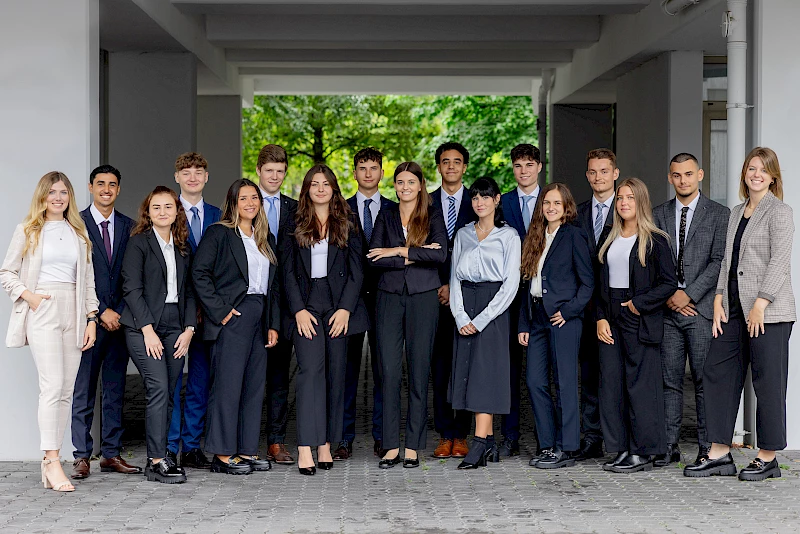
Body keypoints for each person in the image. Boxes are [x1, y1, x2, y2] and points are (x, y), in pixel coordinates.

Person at [685, 147, 795, 482]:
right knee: (716, 372)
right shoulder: (736, 212)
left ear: (773, 176)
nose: (756, 174)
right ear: (744, 174)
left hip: (769, 312)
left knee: (768, 383)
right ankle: (719, 453)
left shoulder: (780, 212)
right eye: (751, 169)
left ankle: (768, 456)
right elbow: (728, 262)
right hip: (733, 309)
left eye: (763, 170)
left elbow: (779, 261)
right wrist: (719, 297)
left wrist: (762, 302)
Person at [1, 172, 98, 492]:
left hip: (74, 311)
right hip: (43, 308)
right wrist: (28, 296)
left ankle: (52, 461)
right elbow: (6, 271)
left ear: (70, 196)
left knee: (66, 391)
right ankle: (52, 460)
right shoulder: (28, 230)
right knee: (52, 386)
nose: (58, 197)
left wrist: (91, 318)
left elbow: (88, 280)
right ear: (42, 196)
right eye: (51, 192)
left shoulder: (78, 231)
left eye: (64, 192)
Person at [283, 164, 369, 475]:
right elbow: (287, 272)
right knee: (310, 373)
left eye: (326, 183)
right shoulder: (294, 222)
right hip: (307, 304)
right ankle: (306, 445)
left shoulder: (348, 221)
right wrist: (298, 310)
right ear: (306, 189)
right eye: (314, 184)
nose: (320, 188)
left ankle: (325, 444)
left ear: (334, 187)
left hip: (338, 305)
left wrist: (346, 308)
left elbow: (358, 270)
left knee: (336, 375)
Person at [193, 179, 280, 475]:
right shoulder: (219, 233)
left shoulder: (264, 237)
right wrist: (220, 311)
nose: (250, 203)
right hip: (233, 316)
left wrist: (272, 324)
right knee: (228, 387)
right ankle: (222, 452)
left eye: (254, 198)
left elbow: (274, 286)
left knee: (254, 387)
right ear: (233, 203)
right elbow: (199, 273)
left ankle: (245, 449)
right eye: (244, 198)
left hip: (260, 315)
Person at [368, 161, 447, 468]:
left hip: (423, 298)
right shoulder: (385, 214)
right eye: (400, 182)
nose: (404, 187)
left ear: (420, 185)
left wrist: (398, 251)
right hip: (388, 297)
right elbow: (374, 256)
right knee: (387, 371)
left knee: (418, 371)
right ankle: (390, 445)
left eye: (410, 182)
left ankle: (412, 445)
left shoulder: (433, 214)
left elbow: (440, 254)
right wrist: (417, 253)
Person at [652, 153, 729, 468]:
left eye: (688, 174)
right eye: (676, 175)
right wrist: (673, 295)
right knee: (668, 381)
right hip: (668, 312)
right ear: (670, 178)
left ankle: (706, 447)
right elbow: (653, 259)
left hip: (699, 312)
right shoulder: (658, 214)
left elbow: (719, 261)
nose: (682, 180)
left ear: (700, 175)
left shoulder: (719, 214)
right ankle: (669, 445)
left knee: (702, 381)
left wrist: (690, 295)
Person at [596, 178, 676, 473]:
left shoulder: (656, 240)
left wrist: (638, 304)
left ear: (641, 201)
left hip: (638, 317)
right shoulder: (609, 236)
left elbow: (668, 283)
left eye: (630, 197)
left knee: (640, 387)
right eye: (620, 198)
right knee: (613, 385)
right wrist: (601, 317)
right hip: (611, 317)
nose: (624, 203)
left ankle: (642, 452)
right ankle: (621, 447)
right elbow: (599, 284)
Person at [120, 186, 196, 484]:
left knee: (171, 391)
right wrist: (147, 329)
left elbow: (190, 290)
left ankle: (162, 454)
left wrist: (189, 329)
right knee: (159, 387)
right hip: (144, 327)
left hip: (176, 325)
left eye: (168, 206)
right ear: (147, 212)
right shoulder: (138, 243)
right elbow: (132, 289)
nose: (163, 212)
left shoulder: (182, 245)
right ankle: (156, 460)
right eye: (156, 207)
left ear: (177, 211)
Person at [71, 165, 140, 480]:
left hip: (120, 323)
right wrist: (100, 311)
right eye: (101, 184)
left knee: (115, 388)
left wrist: (120, 311)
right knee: (83, 388)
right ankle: (82, 455)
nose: (106, 189)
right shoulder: (77, 224)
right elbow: (76, 276)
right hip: (88, 321)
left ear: (119, 189)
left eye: (113, 184)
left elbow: (134, 276)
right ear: (90, 187)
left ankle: (111, 454)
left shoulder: (131, 227)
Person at [518, 183, 593, 469]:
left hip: (563, 319)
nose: (550, 208)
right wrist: (524, 322)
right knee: (535, 382)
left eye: (557, 204)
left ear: (566, 208)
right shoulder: (535, 235)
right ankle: (547, 444)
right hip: (536, 317)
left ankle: (568, 447)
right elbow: (527, 283)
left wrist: (570, 310)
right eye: (546, 203)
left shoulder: (574, 236)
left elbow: (587, 283)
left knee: (564, 383)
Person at [449, 177, 521, 469]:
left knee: (485, 376)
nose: (480, 202)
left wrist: (481, 319)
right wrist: (460, 315)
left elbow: (511, 283)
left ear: (497, 200)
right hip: (466, 303)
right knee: (468, 373)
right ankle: (488, 443)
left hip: (493, 309)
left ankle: (478, 443)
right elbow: (454, 276)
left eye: (485, 197)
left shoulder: (509, 236)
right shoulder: (463, 234)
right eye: (475, 198)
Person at [339, 147, 395, 460]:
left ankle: (383, 436)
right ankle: (343, 437)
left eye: (374, 167)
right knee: (347, 370)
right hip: (351, 299)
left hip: (386, 296)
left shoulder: (394, 208)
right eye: (363, 167)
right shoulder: (341, 209)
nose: (369, 173)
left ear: (382, 172)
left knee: (385, 370)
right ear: (355, 172)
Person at [168, 152, 221, 470]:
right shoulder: (164, 210)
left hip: (209, 311)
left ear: (206, 177)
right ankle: (170, 444)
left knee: (201, 380)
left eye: (198, 172)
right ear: (177, 177)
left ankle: (191, 446)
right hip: (174, 310)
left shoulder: (218, 214)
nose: (192, 177)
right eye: (185, 172)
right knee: (172, 381)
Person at [429, 142, 476, 460]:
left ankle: (462, 434)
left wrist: (455, 287)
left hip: (468, 298)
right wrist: (438, 284)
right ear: (439, 167)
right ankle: (445, 433)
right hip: (431, 297)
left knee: (466, 366)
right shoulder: (424, 201)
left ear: (464, 167)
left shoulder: (478, 201)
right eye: (445, 162)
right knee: (439, 366)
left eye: (457, 162)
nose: (451, 167)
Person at [573, 148, 618, 461]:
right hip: (586, 309)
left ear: (615, 173)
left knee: (617, 376)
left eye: (604, 171)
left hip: (620, 307)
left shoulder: (629, 207)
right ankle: (592, 437)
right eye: (592, 172)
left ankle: (619, 439)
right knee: (588, 376)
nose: (598, 177)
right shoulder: (576, 213)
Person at [499, 143, 542, 457]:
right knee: (509, 369)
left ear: (539, 167)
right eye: (518, 165)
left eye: (529, 164)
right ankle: (509, 436)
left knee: (545, 372)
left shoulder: (552, 199)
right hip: (512, 295)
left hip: (544, 295)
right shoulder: (504, 202)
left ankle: (546, 437)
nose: (523, 170)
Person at [256, 144, 299, 466]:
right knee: (246, 375)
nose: (274, 176)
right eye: (269, 171)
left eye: (280, 171)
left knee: (279, 377)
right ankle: (240, 440)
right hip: (250, 303)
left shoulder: (296, 208)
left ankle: (276, 440)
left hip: (284, 303)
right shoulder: (244, 203)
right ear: (259, 171)